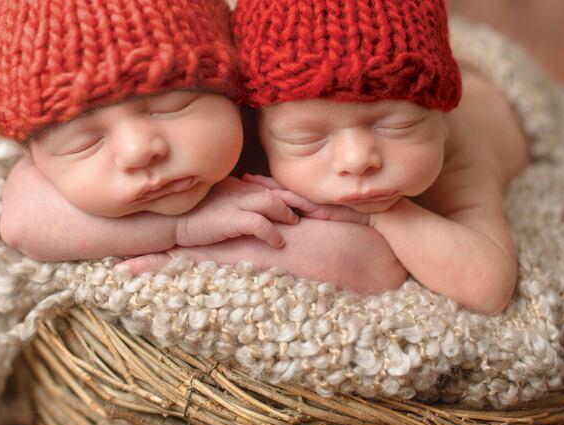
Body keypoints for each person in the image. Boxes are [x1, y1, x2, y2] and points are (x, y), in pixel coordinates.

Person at [221, 0, 530, 314]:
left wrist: (381, 217)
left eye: (397, 126)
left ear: (443, 118)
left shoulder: (460, 157)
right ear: (257, 131)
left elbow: (490, 288)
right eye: (308, 139)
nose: (357, 160)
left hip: (492, 101)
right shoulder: (249, 132)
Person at [0, 0, 302, 262]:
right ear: (33, 155)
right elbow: (21, 225)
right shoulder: (40, 181)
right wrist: (181, 228)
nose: (138, 151)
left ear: (235, 92)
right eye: (85, 143)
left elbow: (337, 256)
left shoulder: (290, 136)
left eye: (171, 108)